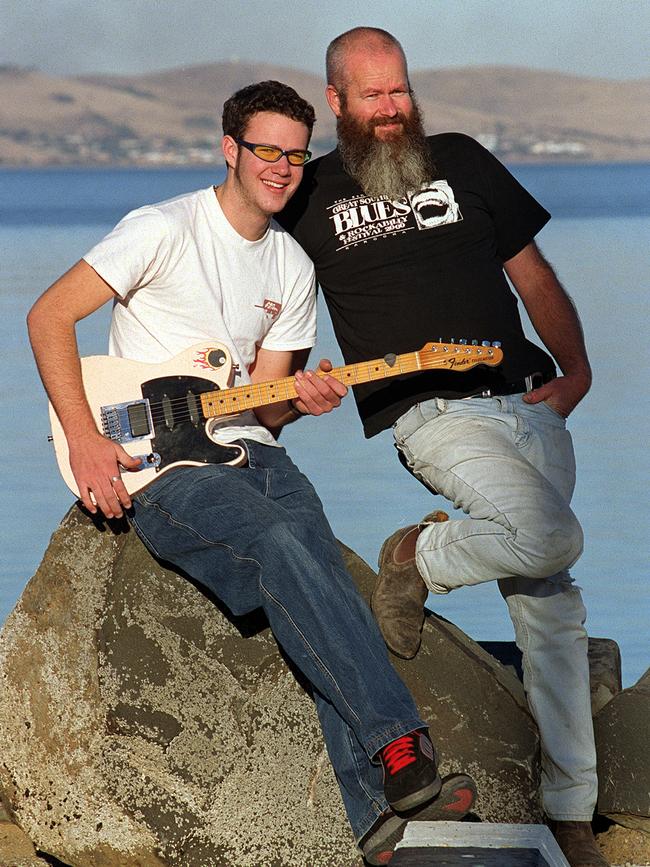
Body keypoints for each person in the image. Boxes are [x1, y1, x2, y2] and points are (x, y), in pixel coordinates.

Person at [27, 80, 476, 865]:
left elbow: (263, 409)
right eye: (266, 149)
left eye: (297, 155)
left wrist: (306, 399)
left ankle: (379, 819)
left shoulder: (294, 268)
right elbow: (48, 315)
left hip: (254, 450)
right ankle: (400, 743)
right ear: (230, 149)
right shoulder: (161, 229)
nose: (282, 168)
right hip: (159, 464)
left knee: (321, 570)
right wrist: (84, 439)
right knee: (278, 543)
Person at [278, 28, 608, 867]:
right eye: (373, 96)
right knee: (548, 536)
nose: (392, 111)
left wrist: (575, 372)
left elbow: (530, 271)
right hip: (431, 413)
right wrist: (277, 400)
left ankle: (572, 809)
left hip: (529, 399)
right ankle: (416, 555)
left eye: (400, 92)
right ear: (338, 103)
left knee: (551, 608)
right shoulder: (306, 196)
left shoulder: (461, 157)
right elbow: (270, 307)